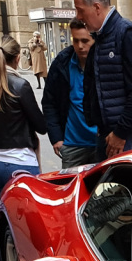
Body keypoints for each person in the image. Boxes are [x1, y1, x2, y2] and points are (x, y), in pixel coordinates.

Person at [72, 0, 132, 159]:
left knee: (121, 185)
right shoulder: (102, 38)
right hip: (108, 133)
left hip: (126, 136)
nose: (78, 16)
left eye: (80, 10)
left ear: (96, 7)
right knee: (107, 185)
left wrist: (121, 133)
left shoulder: (126, 34)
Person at [0, 37, 48, 217]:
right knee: (24, 232)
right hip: (20, 163)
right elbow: (41, 126)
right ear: (18, 58)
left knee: (3, 232)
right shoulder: (20, 85)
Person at [42, 19, 98, 168]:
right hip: (72, 145)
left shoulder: (104, 62)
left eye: (85, 41)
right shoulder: (62, 63)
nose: (80, 46)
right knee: (71, 189)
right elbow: (49, 102)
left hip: (102, 143)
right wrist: (56, 138)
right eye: (76, 40)